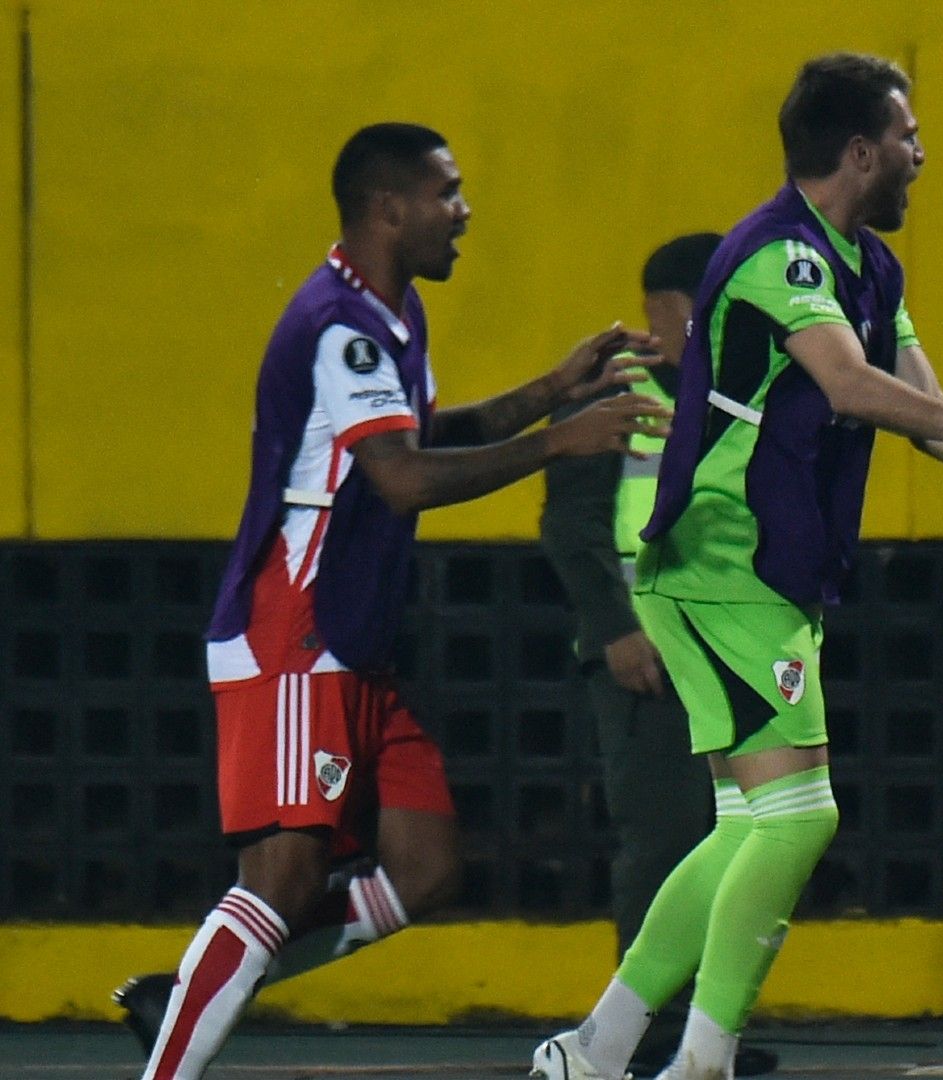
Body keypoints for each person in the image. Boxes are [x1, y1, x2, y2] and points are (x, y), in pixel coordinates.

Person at [531, 53, 943, 1080]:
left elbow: (930, 420)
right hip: (721, 561)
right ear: (860, 152)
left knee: (744, 825)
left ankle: (597, 1049)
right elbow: (851, 387)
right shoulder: (779, 253)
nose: (921, 154)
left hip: (765, 575)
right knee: (803, 817)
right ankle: (702, 1062)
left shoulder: (872, 269)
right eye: (907, 136)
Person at [125, 122, 668, 1080]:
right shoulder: (341, 326)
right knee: (283, 878)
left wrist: (553, 391)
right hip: (296, 633)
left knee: (425, 869)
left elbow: (418, 435)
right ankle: (182, 1038)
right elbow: (404, 479)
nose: (463, 212)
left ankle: (203, 988)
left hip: (354, 639)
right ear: (388, 208)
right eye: (445, 193)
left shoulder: (385, 314)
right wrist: (557, 442)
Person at [539, 232, 778, 1078]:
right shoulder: (617, 394)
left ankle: (705, 1036)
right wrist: (615, 631)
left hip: (730, 647)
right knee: (667, 841)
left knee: (739, 842)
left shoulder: (742, 387)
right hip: (647, 654)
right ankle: (640, 1036)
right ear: (676, 307)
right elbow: (570, 526)